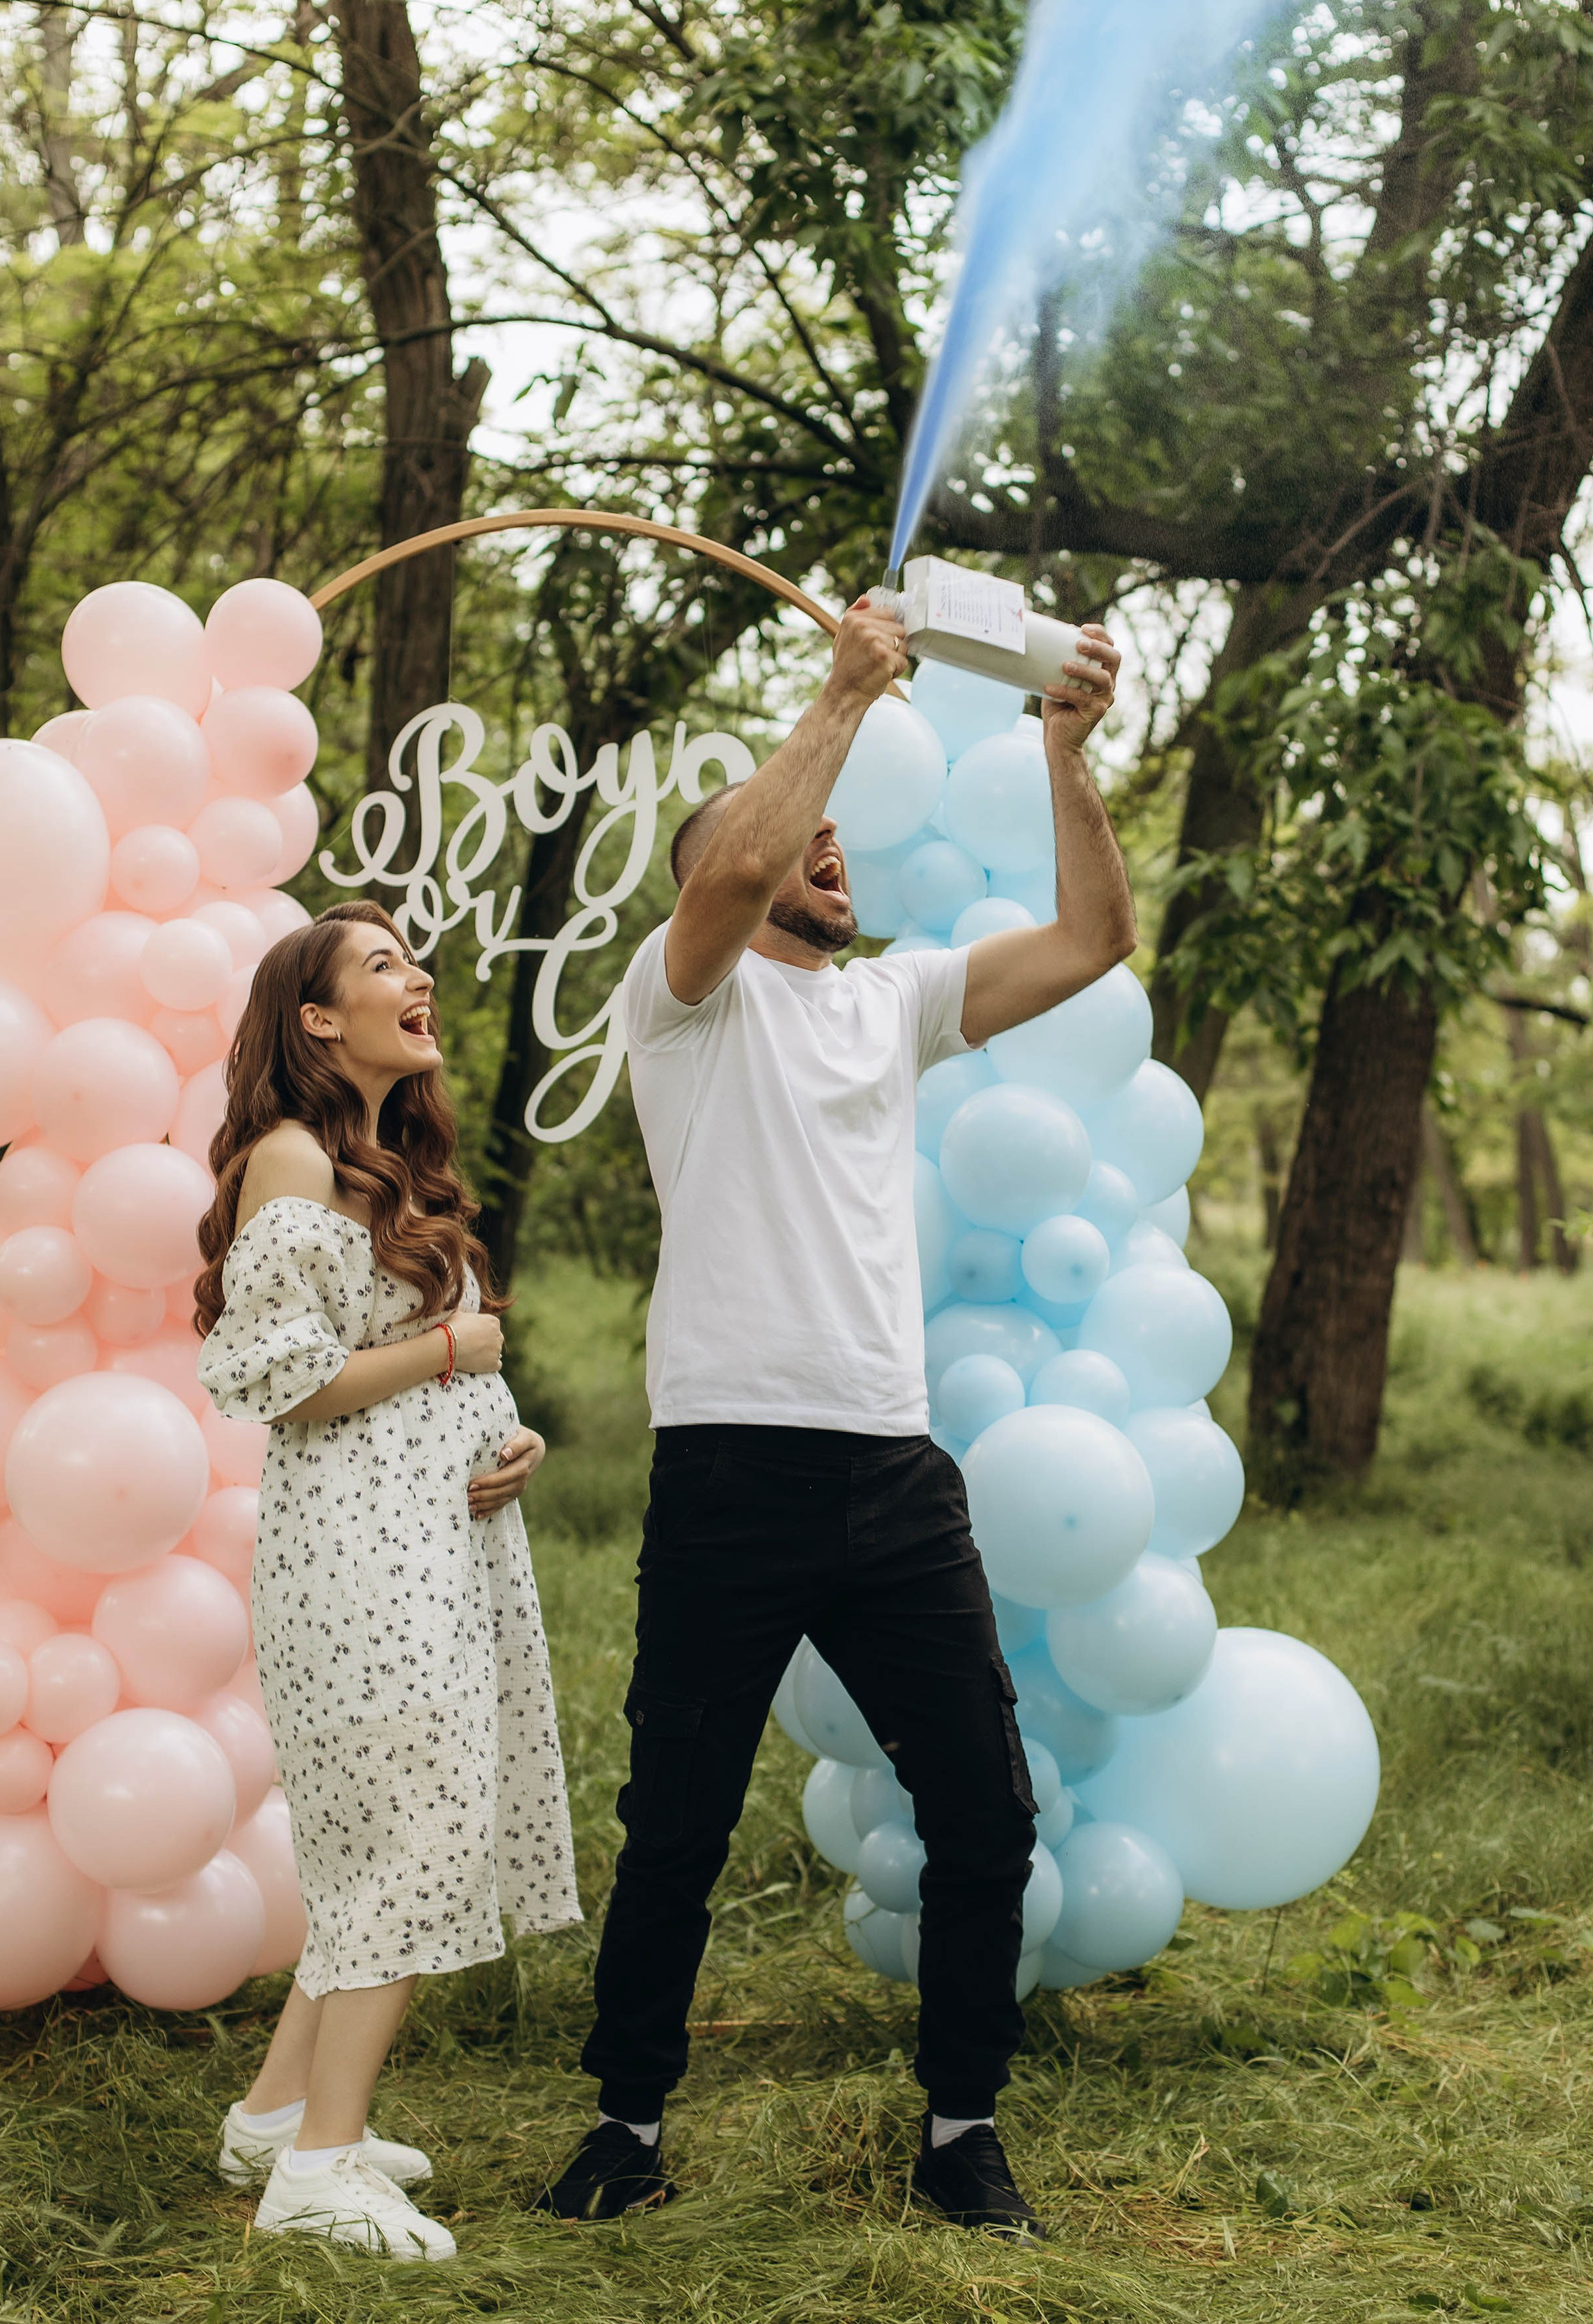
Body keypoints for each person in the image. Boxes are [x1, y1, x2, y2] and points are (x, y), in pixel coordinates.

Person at [533, 597, 1129, 2236]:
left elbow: (1090, 943)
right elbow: (727, 872)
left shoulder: (893, 1003)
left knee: (987, 1813)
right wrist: (842, 698)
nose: (832, 858)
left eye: (840, 845)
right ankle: (627, 2123)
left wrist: (1065, 754)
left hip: (892, 1473)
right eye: (805, 840)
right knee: (680, 1822)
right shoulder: (680, 1003)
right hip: (727, 1470)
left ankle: (957, 2129)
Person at [195, 899, 581, 2264]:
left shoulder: (385, 1161)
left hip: (427, 1543)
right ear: (315, 1018)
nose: (417, 979)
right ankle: (317, 2174)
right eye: (380, 966)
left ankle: (279, 2112)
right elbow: (273, 1378)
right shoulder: (293, 1160)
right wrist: (453, 1360)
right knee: (414, 1842)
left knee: (376, 1848)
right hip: (358, 1565)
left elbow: (432, 1356)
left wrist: (500, 1433)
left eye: (414, 962)